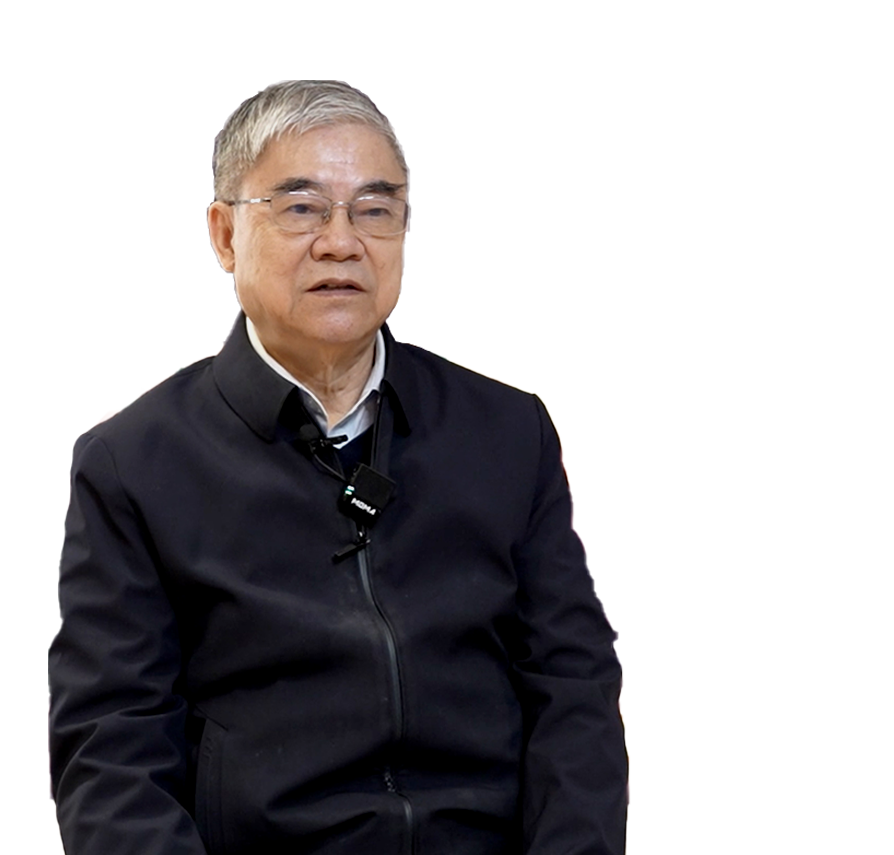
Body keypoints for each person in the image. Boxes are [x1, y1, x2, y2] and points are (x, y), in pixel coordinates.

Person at [49, 80, 628, 855]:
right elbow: (111, 753)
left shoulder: (506, 432)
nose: (341, 242)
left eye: (374, 210)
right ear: (225, 234)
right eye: (302, 208)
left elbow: (574, 693)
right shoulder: (133, 464)